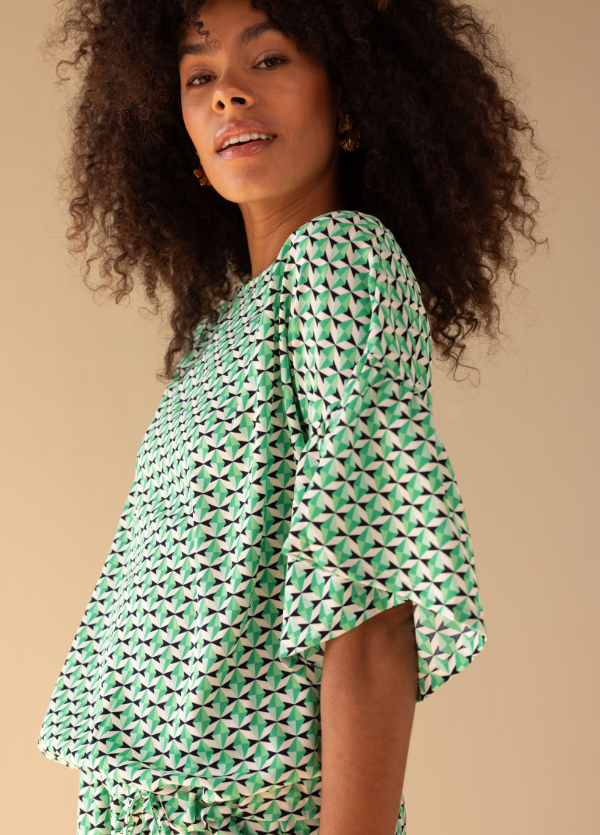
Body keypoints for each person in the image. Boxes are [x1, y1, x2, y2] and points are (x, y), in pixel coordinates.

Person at [38, 1, 543, 833]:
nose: (228, 94)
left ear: (350, 98)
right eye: (199, 76)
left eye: (268, 59)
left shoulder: (339, 261)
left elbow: (372, 606)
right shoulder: (223, 330)